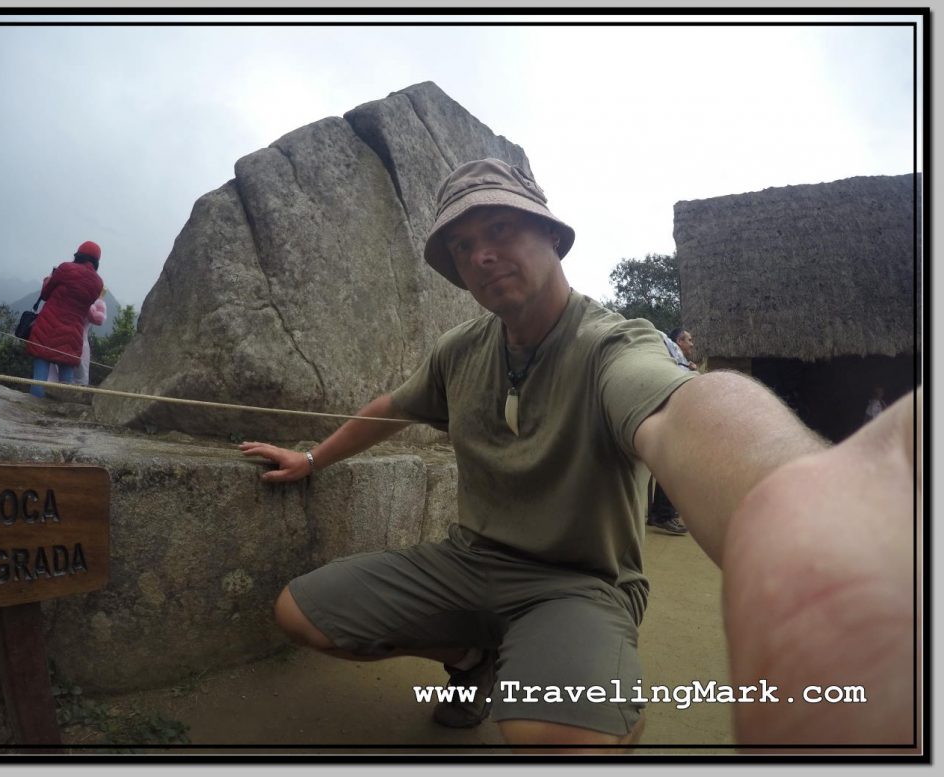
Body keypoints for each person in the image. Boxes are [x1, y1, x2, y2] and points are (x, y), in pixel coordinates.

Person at [239, 159, 916, 751]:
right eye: (463, 243)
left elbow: (678, 412)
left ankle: (584, 697)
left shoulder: (613, 345)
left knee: (554, 737)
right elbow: (392, 406)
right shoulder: (461, 351)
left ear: (551, 236)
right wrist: (312, 459)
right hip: (468, 560)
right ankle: (476, 657)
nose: (480, 254)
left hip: (579, 582)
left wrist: (803, 497)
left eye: (500, 228)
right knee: (303, 613)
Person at [26, 240, 104, 398]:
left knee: (40, 378)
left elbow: (46, 294)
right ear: (96, 261)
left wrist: (48, 280)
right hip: (73, 334)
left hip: (47, 328)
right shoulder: (98, 283)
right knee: (65, 384)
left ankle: (32, 409)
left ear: (78, 254)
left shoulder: (65, 268)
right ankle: (61, 414)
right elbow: (86, 305)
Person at [646, 326, 698, 535]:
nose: (692, 344)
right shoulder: (672, 350)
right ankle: (662, 515)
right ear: (678, 341)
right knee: (672, 464)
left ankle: (662, 513)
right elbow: (657, 333)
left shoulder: (682, 362)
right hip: (670, 417)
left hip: (676, 417)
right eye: (689, 340)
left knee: (674, 464)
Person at [47, 285, 108, 386]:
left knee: (52, 373)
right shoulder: (86, 303)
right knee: (80, 378)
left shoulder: (65, 295)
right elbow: (98, 319)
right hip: (79, 342)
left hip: (56, 336)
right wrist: (100, 299)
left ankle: (44, 396)